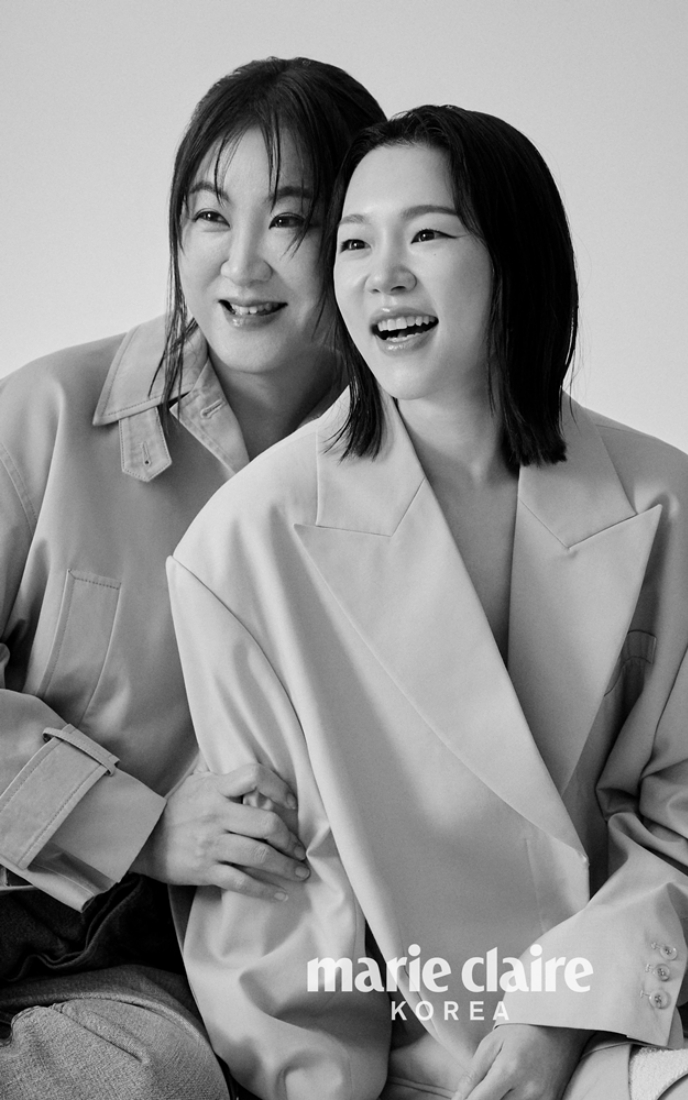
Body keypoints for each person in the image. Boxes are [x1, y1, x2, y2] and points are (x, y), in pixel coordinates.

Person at [167, 106, 688, 1100]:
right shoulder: (239, 546)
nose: (382, 276)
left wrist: (563, 1004)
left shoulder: (684, 512)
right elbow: (277, 902)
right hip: (434, 1043)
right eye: (353, 243)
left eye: (428, 234)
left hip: (679, 983)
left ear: (515, 259)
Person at [0, 57, 384, 1098]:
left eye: (290, 220)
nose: (240, 262)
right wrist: (135, 823)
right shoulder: (46, 417)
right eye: (210, 215)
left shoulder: (403, 483)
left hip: (188, 967)